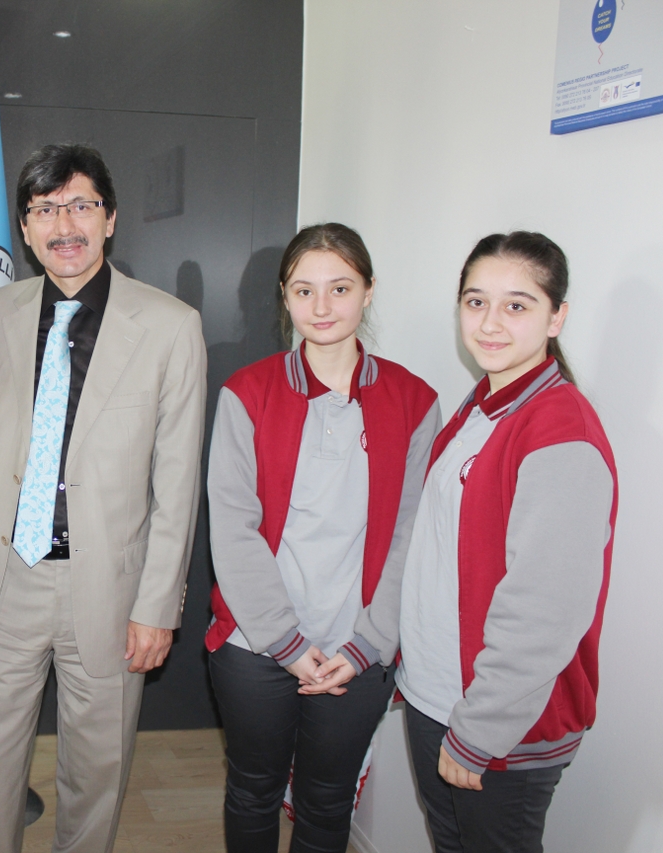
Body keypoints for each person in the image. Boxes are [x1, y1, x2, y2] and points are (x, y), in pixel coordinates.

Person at [0, 143, 207, 853]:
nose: (65, 224)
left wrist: (158, 605)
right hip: (6, 577)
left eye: (81, 205)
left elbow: (177, 482)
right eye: (45, 209)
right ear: (25, 229)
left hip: (111, 591)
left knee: (96, 773)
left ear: (110, 218)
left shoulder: (170, 326)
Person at [204, 223, 440, 853]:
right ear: (284, 298)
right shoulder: (246, 394)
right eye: (304, 290)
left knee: (327, 802)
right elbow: (233, 527)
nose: (322, 306)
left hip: (358, 647)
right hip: (257, 643)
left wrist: (369, 644)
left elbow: (412, 537)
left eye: (340, 287)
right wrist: (284, 641)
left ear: (368, 291)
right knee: (253, 790)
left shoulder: (415, 402)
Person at [396, 232, 618, 853]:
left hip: (500, 724)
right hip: (435, 694)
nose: (490, 323)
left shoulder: (560, 431)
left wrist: (480, 731)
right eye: (476, 302)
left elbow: (546, 607)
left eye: (516, 305)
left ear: (557, 317)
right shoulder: (480, 407)